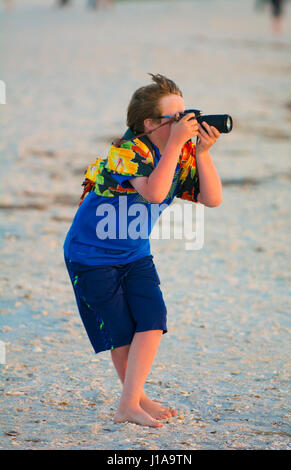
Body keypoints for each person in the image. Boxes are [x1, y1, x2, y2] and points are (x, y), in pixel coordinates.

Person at [63, 73, 222, 428]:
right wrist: (175, 147)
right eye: (175, 117)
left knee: (152, 320)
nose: (186, 123)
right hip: (90, 255)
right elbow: (153, 190)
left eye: (187, 114)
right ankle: (131, 403)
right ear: (149, 124)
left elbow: (212, 199)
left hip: (134, 253)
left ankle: (131, 400)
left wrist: (200, 153)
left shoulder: (178, 156)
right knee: (121, 330)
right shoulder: (126, 151)